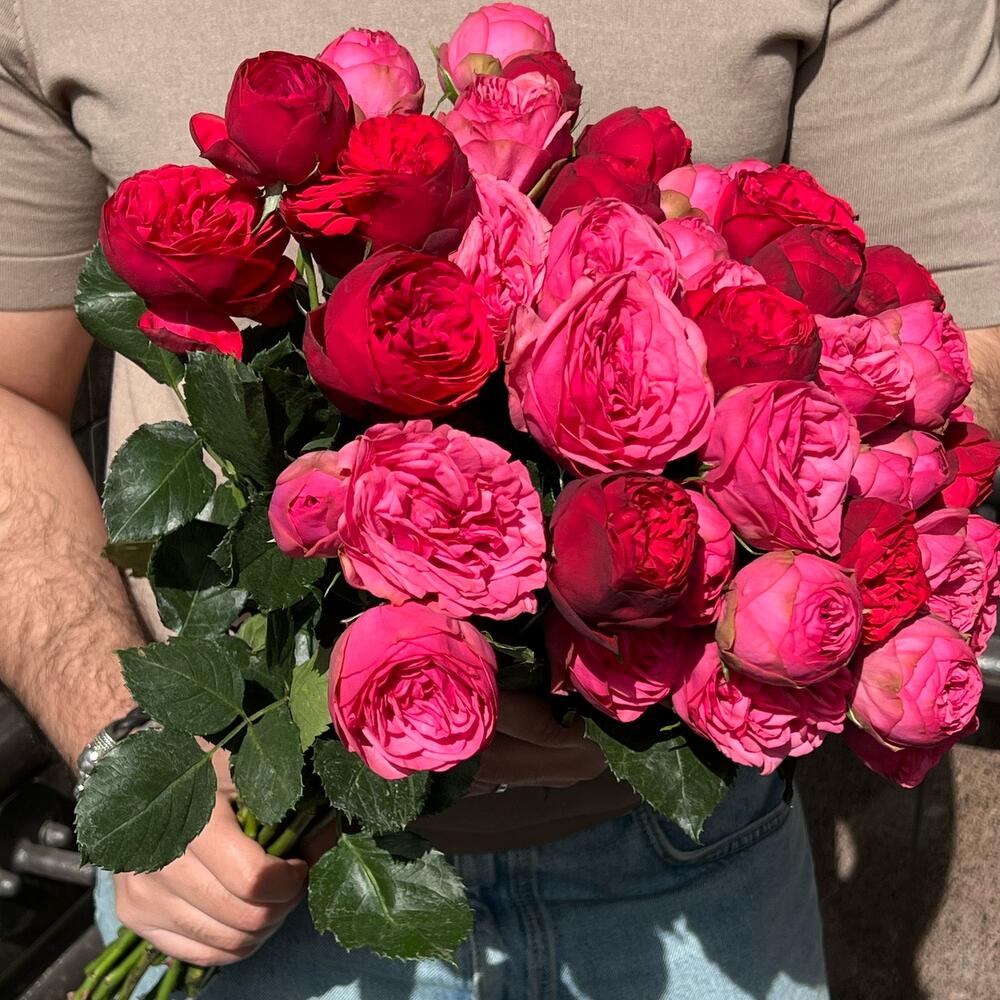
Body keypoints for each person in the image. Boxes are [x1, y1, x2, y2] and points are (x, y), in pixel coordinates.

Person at [1, 2, 998, 997]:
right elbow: (9, 396)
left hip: (684, 865)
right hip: (238, 873)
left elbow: (957, 356)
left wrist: (639, 645)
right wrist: (125, 743)